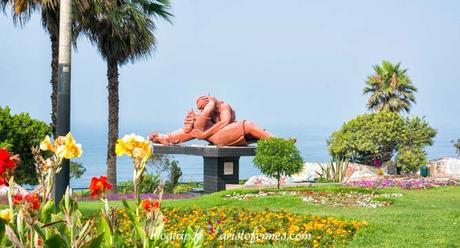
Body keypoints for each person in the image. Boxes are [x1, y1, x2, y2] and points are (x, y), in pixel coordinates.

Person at [149, 96, 272, 146]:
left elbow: (225, 122)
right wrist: (190, 121)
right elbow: (193, 127)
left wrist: (204, 134)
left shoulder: (223, 107)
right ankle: (167, 138)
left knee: (248, 125)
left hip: (220, 136)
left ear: (209, 104)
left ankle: (277, 142)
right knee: (196, 125)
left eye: (202, 107)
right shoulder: (207, 115)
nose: (201, 110)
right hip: (218, 138)